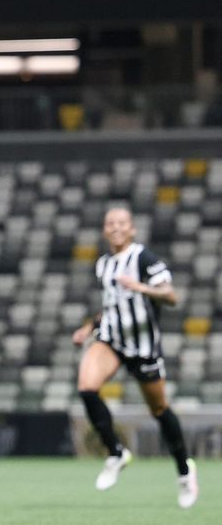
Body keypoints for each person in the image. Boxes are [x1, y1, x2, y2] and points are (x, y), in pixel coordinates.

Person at [72, 206, 198, 508]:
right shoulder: (103, 264)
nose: (116, 228)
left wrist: (141, 287)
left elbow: (171, 295)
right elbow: (112, 305)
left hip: (143, 347)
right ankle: (116, 453)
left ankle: (184, 470)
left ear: (132, 229)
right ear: (105, 230)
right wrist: (89, 327)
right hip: (112, 339)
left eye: (122, 223)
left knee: (159, 409)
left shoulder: (143, 258)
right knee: (86, 387)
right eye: (110, 223)